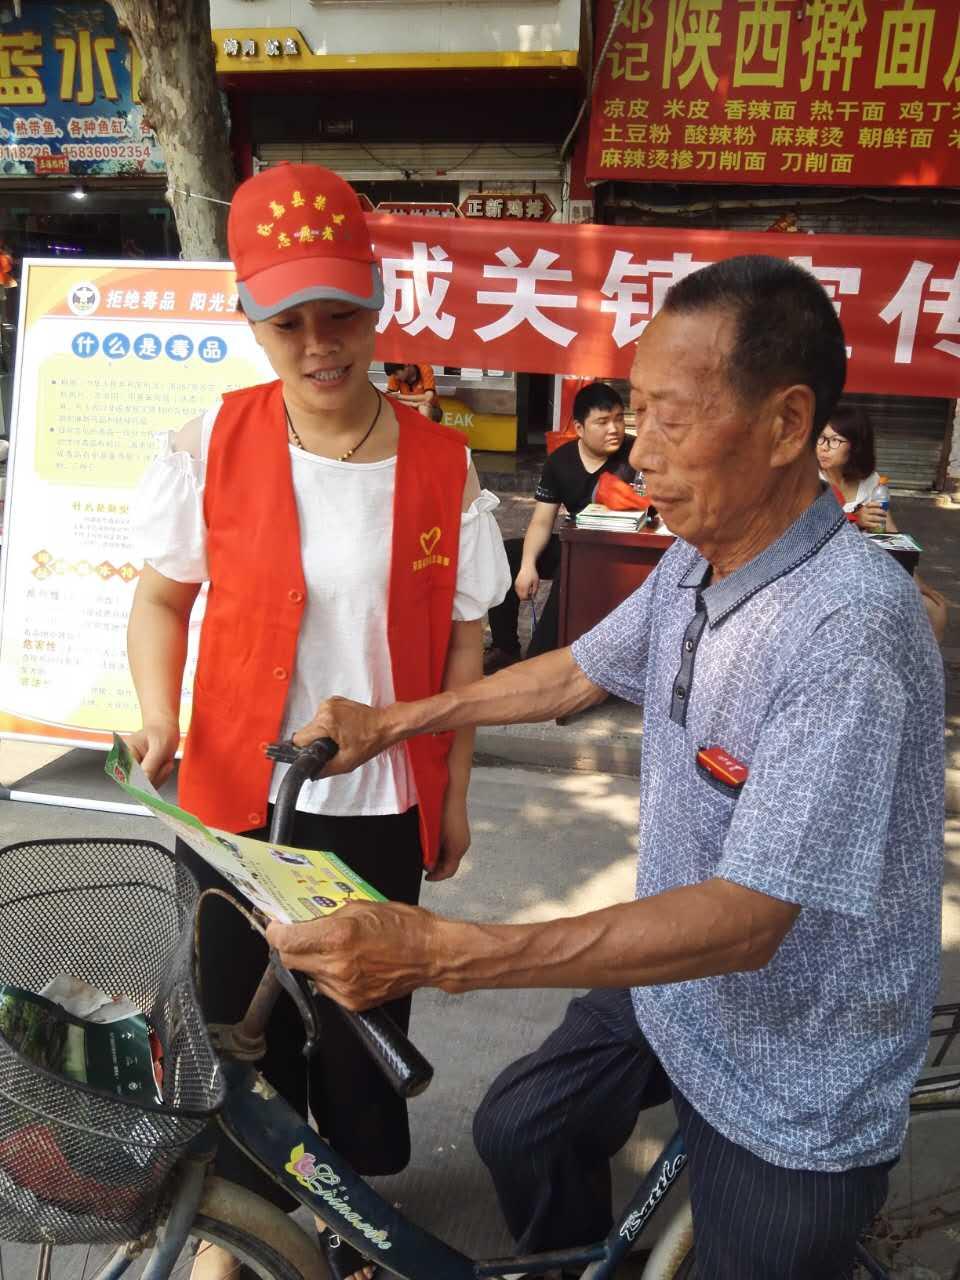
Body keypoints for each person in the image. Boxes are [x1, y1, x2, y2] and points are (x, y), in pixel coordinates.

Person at [267, 255, 944, 1279]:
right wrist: (396, 720)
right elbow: (579, 670)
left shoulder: (847, 631)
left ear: (787, 423)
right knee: (521, 1125)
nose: (641, 446)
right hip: (677, 994)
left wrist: (446, 950)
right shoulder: (698, 553)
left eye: (673, 416)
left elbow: (749, 919)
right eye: (635, 410)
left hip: (794, 1073)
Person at [125, 162, 510, 1280]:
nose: (318, 342)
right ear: (249, 315)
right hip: (236, 811)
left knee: (355, 1028)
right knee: (234, 1022)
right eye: (285, 319)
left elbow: (463, 643)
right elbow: (161, 599)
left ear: (376, 298)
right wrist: (159, 715)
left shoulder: (442, 462)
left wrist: (457, 788)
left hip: (379, 808)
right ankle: (239, 1230)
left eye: (339, 312)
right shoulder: (211, 443)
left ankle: (343, 1222)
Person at [484, 381, 635, 674]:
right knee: (507, 554)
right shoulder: (560, 462)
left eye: (618, 418)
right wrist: (528, 565)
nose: (614, 428)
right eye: (602, 422)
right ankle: (505, 648)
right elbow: (542, 520)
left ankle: (542, 660)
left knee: (568, 569)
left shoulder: (637, 454)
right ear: (579, 428)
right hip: (577, 545)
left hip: (620, 555)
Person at [818, 402, 948, 642]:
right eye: (821, 439)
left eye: (834, 441)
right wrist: (855, 520)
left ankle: (922, 674)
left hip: (871, 568)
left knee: (935, 609)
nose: (824, 448)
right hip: (827, 574)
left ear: (855, 446)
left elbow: (891, 535)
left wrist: (916, 582)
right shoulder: (809, 480)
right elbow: (806, 532)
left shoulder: (871, 482)